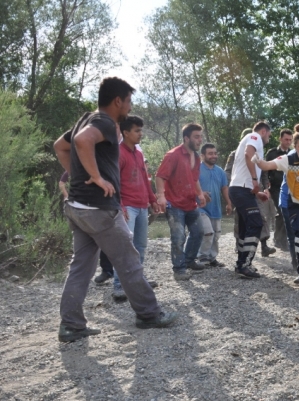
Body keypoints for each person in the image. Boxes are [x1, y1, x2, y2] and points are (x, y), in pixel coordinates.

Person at [53, 76, 177, 342]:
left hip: (76, 206)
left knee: (81, 267)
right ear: (118, 100)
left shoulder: (85, 118)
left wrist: (77, 175)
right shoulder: (105, 122)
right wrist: (96, 178)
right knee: (129, 260)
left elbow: (60, 146)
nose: (130, 108)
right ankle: (149, 314)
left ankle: (71, 325)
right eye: (128, 102)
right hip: (99, 209)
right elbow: (82, 142)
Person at [253, 124, 299, 284]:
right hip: (295, 204)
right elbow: (267, 165)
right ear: (295, 147)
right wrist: (256, 159)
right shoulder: (288, 159)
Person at [112, 115, 161, 299]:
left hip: (141, 206)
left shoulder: (139, 154)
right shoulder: (118, 153)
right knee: (125, 246)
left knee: (140, 245)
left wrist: (153, 199)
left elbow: (145, 180)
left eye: (141, 130)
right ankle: (119, 285)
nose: (141, 134)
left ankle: (138, 280)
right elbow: (114, 182)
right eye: (137, 130)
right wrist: (121, 206)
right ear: (125, 133)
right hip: (128, 207)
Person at [155, 123, 207, 280]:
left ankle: (189, 260)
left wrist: (200, 193)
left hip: (190, 202)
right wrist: (161, 196)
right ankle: (179, 269)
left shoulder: (197, 157)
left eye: (200, 137)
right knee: (178, 237)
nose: (200, 140)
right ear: (186, 138)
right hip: (174, 204)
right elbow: (159, 176)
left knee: (198, 232)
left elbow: (194, 178)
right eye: (196, 137)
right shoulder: (173, 155)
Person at [229, 121, 272, 278]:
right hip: (241, 189)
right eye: (269, 134)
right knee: (256, 222)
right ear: (263, 131)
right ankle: (244, 265)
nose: (269, 138)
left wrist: (257, 192)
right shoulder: (255, 136)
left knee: (245, 225)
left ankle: (241, 263)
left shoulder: (249, 138)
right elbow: (249, 154)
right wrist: (255, 180)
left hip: (241, 189)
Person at [197, 143, 232, 267]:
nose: (213, 156)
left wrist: (228, 203)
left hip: (216, 208)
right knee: (208, 232)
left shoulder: (220, 171)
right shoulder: (196, 169)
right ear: (202, 155)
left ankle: (212, 258)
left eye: (215, 153)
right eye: (210, 153)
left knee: (216, 234)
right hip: (200, 208)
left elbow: (224, 188)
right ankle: (202, 257)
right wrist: (200, 193)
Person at [266, 129, 293, 250]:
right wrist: (266, 186)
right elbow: (265, 171)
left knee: (288, 212)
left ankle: (284, 239)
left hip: (289, 187)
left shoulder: (293, 153)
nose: (288, 142)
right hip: (275, 187)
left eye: (290, 140)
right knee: (282, 211)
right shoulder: (272, 153)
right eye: (286, 139)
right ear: (280, 139)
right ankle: (278, 239)